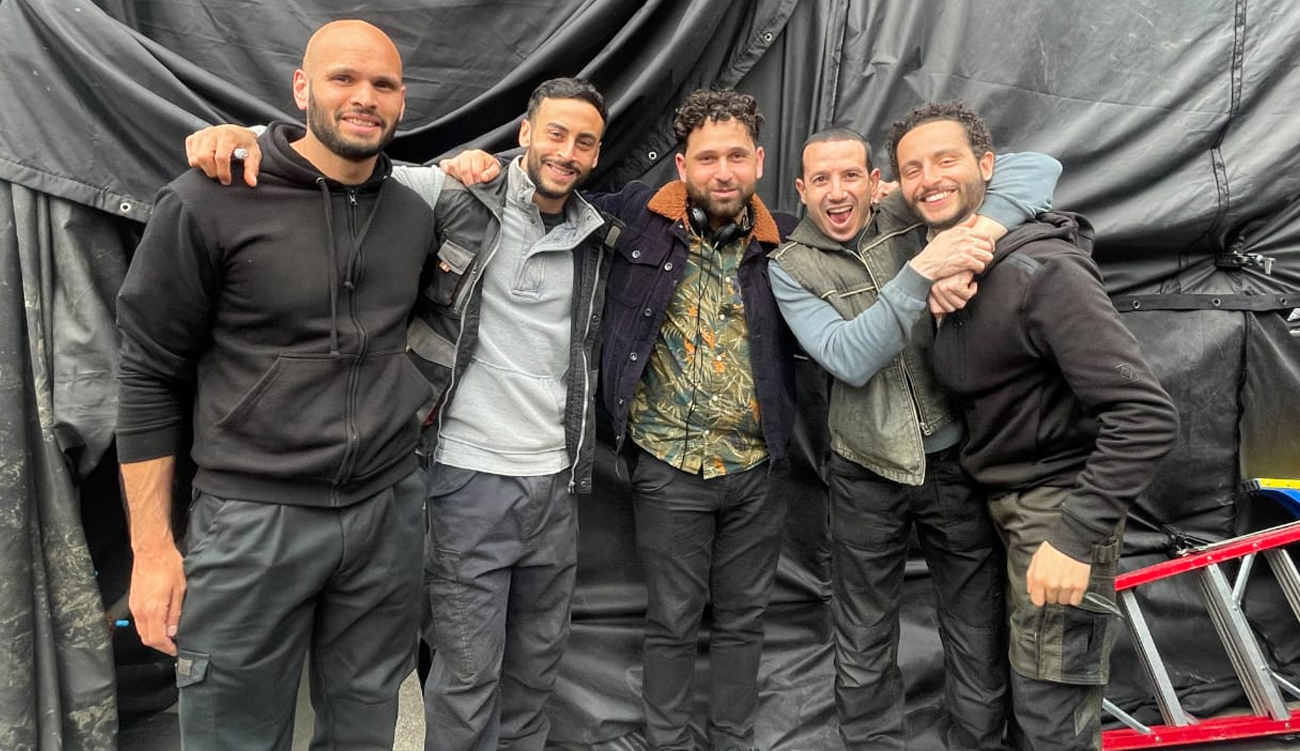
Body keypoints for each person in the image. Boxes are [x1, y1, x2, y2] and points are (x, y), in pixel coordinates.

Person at [184, 77, 620, 751]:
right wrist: (248, 139)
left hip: (556, 485)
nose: (568, 152)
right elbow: (341, 160)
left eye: (584, 142)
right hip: (466, 478)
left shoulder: (594, 234)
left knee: (536, 672)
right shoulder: (456, 195)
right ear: (526, 133)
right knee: (468, 677)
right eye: (556, 133)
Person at [117, 20, 435, 751]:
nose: (365, 97)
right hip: (252, 520)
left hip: (385, 512)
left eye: (383, 84)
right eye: (343, 78)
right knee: (232, 733)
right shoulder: (208, 202)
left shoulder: (413, 215)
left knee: (365, 728)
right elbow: (147, 374)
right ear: (301, 88)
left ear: (402, 100)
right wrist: (153, 549)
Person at [886, 102, 1180, 751]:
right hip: (995, 507)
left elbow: (1145, 415)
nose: (929, 179)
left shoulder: (1044, 272)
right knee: (1009, 697)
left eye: (946, 160)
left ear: (988, 166)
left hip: (1055, 508)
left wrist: (1074, 539)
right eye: (912, 169)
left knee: (1051, 717)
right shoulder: (952, 262)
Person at [768, 127, 1061, 750]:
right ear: (801, 190)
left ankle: (976, 742)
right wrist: (924, 274)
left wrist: (974, 240)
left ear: (877, 182)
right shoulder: (789, 266)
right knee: (864, 635)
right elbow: (847, 357)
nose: (837, 191)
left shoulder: (910, 208)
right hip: (865, 470)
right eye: (821, 179)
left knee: (976, 628)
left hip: (957, 460)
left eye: (852, 175)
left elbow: (1038, 167)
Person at [592, 89, 797, 751]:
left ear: (759, 160)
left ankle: (732, 739)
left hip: (758, 470)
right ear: (682, 166)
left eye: (737, 155)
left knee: (743, 621)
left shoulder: (789, 239)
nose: (723, 171)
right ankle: (668, 743)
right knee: (673, 622)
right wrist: (483, 166)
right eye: (707, 158)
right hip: (668, 468)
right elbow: (550, 194)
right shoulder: (638, 219)